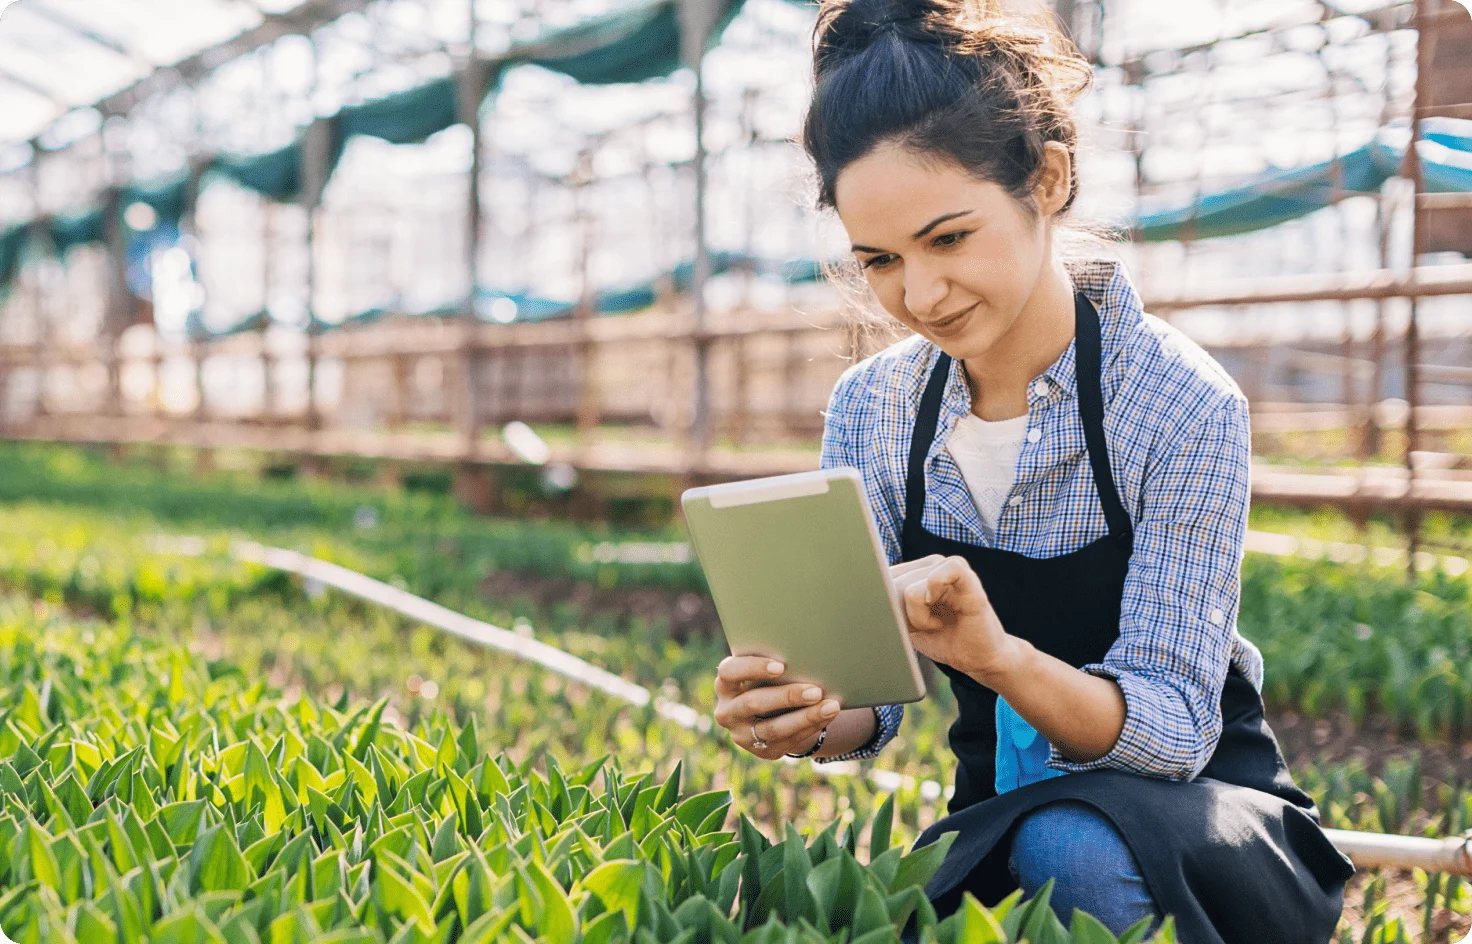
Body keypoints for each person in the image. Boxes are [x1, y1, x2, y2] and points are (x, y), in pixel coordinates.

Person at [709, 0, 1355, 940]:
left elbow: (1174, 734)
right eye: (880, 260)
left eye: (949, 238)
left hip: (1203, 828)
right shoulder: (874, 411)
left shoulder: (1177, 403)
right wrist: (800, 713)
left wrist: (996, 656)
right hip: (998, 817)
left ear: (1047, 180)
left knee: (1071, 846)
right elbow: (871, 712)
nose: (919, 294)